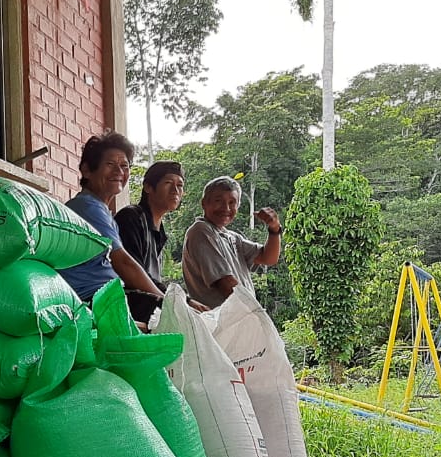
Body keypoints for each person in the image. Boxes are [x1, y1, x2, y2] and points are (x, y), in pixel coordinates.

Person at [57, 133, 165, 306]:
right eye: (110, 164)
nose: (119, 172)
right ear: (86, 170)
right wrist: (165, 301)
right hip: (94, 300)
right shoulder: (87, 208)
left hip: (108, 296)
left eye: (124, 165)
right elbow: (123, 263)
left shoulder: (100, 210)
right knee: (174, 316)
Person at [181, 175, 282, 309]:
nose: (226, 208)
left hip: (240, 317)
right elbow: (226, 284)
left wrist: (274, 229)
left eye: (232, 202)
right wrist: (255, 314)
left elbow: (268, 258)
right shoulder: (201, 231)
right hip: (222, 322)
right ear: (204, 203)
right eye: (218, 201)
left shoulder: (232, 237)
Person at [115, 160, 184, 323]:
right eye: (168, 183)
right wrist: (176, 301)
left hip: (146, 300)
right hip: (126, 302)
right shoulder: (131, 218)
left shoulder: (159, 231)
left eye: (180, 185)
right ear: (148, 187)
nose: (175, 190)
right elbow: (133, 275)